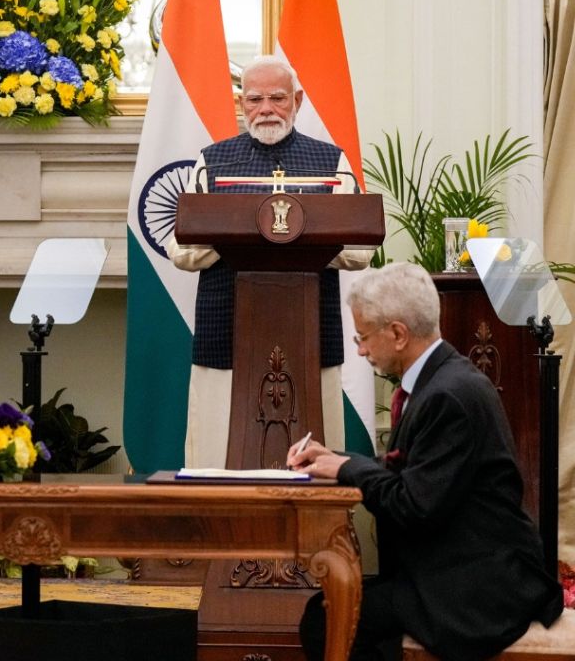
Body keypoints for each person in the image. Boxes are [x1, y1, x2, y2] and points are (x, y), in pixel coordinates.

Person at [289, 262, 562, 661]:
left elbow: (414, 506)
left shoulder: (448, 395)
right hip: (455, 566)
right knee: (329, 608)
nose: (361, 350)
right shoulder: (441, 380)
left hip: (481, 585)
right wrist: (335, 458)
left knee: (327, 619)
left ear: (398, 333)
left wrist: (347, 469)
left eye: (363, 337)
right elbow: (410, 471)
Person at [168, 55, 372, 467]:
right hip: (225, 334)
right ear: (242, 103)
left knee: (314, 464)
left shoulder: (331, 163)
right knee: (217, 460)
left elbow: (360, 248)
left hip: (309, 333)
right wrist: (250, 234)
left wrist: (284, 235)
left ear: (296, 100)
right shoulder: (212, 162)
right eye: (254, 99)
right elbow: (182, 250)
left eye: (277, 98)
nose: (265, 110)